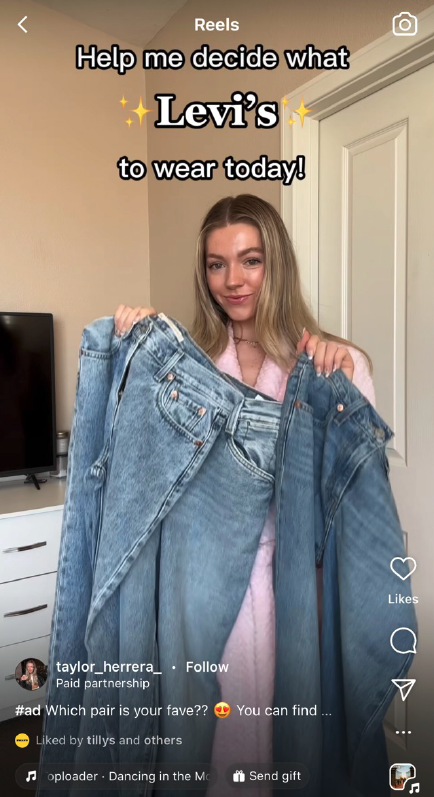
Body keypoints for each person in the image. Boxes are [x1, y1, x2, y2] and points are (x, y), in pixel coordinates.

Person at [113, 194, 375, 794]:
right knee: (208, 754)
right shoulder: (190, 369)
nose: (233, 280)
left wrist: (338, 394)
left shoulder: (336, 365)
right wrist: (141, 354)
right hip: (204, 593)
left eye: (250, 260)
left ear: (275, 262)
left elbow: (353, 506)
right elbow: (149, 478)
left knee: (300, 755)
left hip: (301, 595)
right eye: (217, 264)